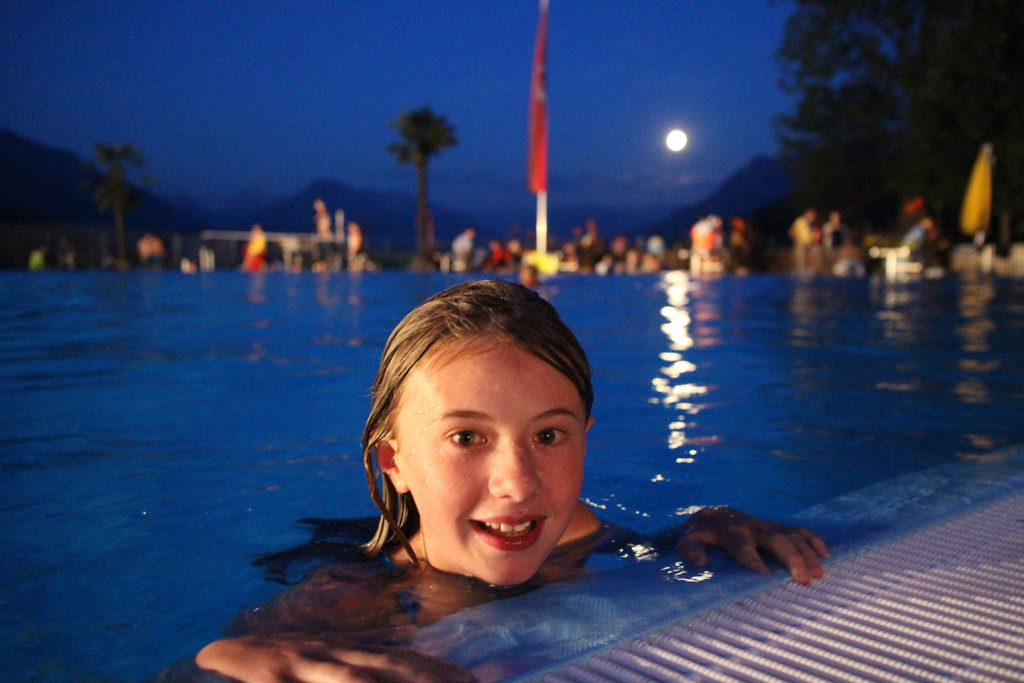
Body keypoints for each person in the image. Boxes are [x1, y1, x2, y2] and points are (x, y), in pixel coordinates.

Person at [190, 280, 829, 682]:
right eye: (467, 438)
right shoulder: (351, 600)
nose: (518, 485)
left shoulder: (576, 531)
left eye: (549, 436)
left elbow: (647, 546)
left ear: (586, 436)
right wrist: (230, 660)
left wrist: (703, 524)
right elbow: (208, 664)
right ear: (394, 462)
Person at [788, 208, 816, 272]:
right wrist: (796, 240)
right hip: (800, 244)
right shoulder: (800, 221)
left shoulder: (809, 223)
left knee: (808, 259)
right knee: (800, 259)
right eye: (811, 215)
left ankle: (806, 271)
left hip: (808, 244)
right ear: (807, 214)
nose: (813, 218)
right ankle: (799, 272)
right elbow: (792, 231)